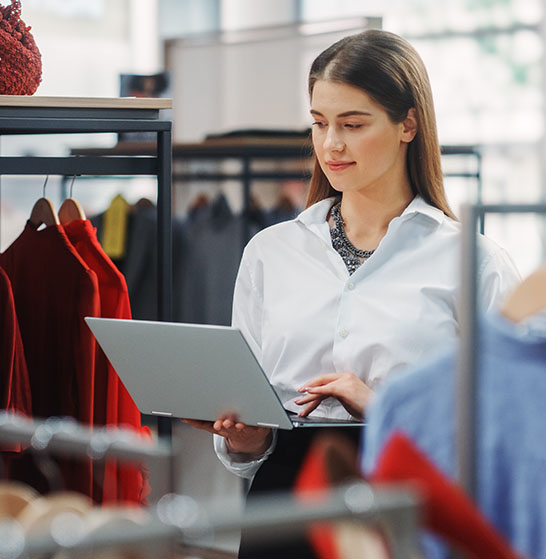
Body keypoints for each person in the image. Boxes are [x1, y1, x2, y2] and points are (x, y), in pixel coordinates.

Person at [184, 29, 521, 557]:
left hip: (404, 499)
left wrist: (383, 408)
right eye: (319, 123)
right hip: (282, 507)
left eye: (352, 124)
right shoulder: (270, 252)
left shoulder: (473, 262)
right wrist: (246, 437)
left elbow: (505, 432)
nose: (330, 144)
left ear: (408, 123)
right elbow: (252, 433)